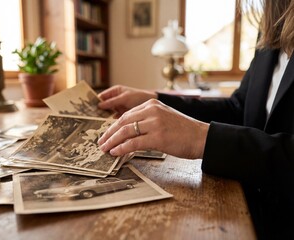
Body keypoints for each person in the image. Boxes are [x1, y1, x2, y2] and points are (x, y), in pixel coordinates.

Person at [97, 0, 294, 239]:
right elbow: (238, 108)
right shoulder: (273, 23)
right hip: (248, 209)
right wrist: (157, 100)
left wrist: (202, 139)